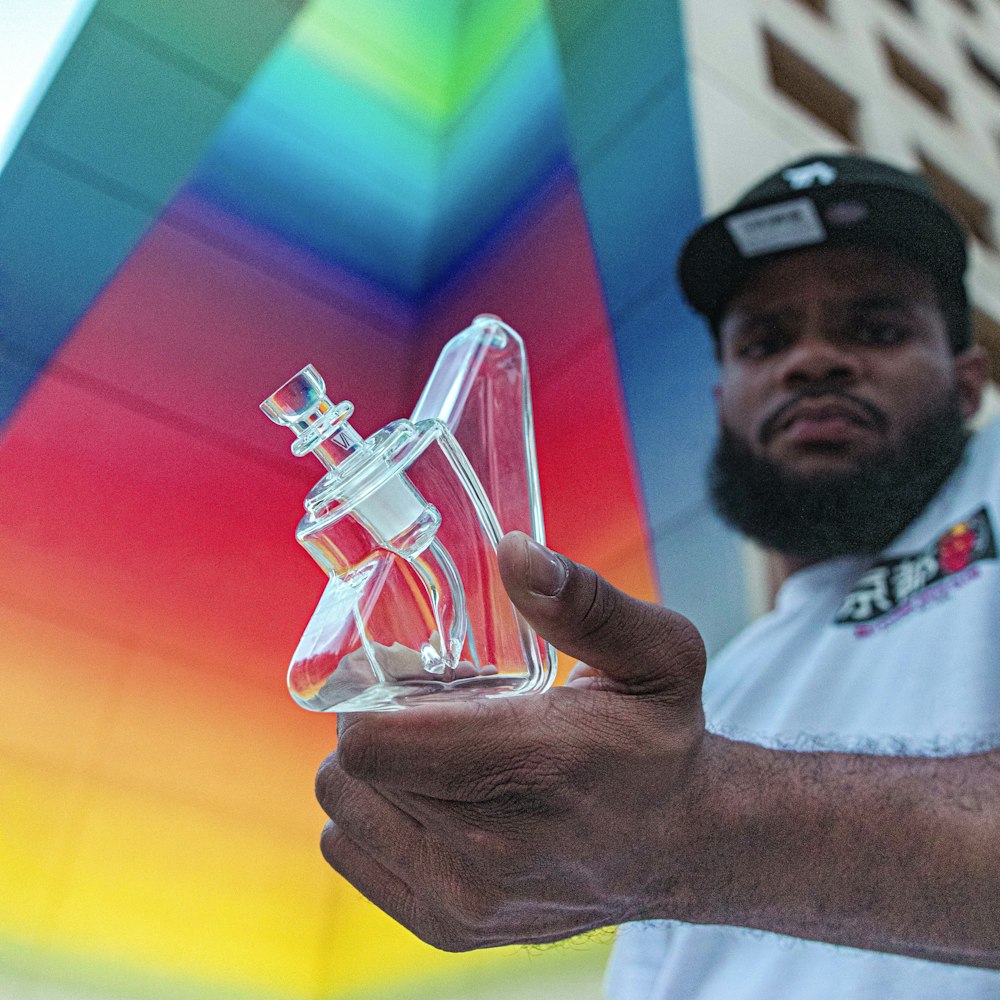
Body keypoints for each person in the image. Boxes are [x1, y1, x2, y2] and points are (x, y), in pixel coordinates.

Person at [313, 154, 1000, 998]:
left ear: (970, 382)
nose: (813, 360)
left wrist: (700, 826)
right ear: (724, 399)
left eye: (876, 328)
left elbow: (691, 828)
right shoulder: (717, 696)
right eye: (767, 340)